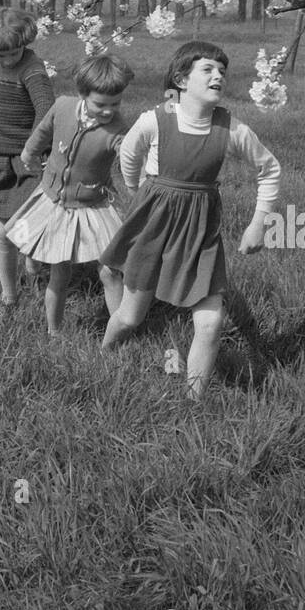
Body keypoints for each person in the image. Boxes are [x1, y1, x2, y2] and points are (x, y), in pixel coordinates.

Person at [100, 41, 281, 400]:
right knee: (130, 318)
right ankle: (104, 356)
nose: (218, 76)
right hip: (153, 225)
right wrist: (138, 194)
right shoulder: (154, 120)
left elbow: (270, 169)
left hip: (200, 232)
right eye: (208, 69)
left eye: (222, 71)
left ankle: (193, 401)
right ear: (181, 80)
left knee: (211, 322)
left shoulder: (232, 130)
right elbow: (129, 157)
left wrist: (259, 222)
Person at [6, 52, 134, 335]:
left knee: (110, 270)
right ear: (82, 94)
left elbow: (130, 157)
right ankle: (54, 331)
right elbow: (43, 131)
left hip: (94, 204)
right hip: (53, 198)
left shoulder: (118, 128)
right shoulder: (63, 106)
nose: (108, 111)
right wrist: (29, 151)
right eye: (101, 104)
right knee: (58, 269)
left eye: (115, 103)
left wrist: (139, 174)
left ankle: (121, 331)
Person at [0, 6, 55, 312]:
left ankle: (33, 270)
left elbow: (46, 112)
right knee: (3, 230)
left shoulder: (32, 71)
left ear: (25, 43)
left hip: (25, 160)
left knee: (23, 226)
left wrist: (32, 150)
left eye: (12, 54)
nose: (4, 60)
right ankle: (9, 296)